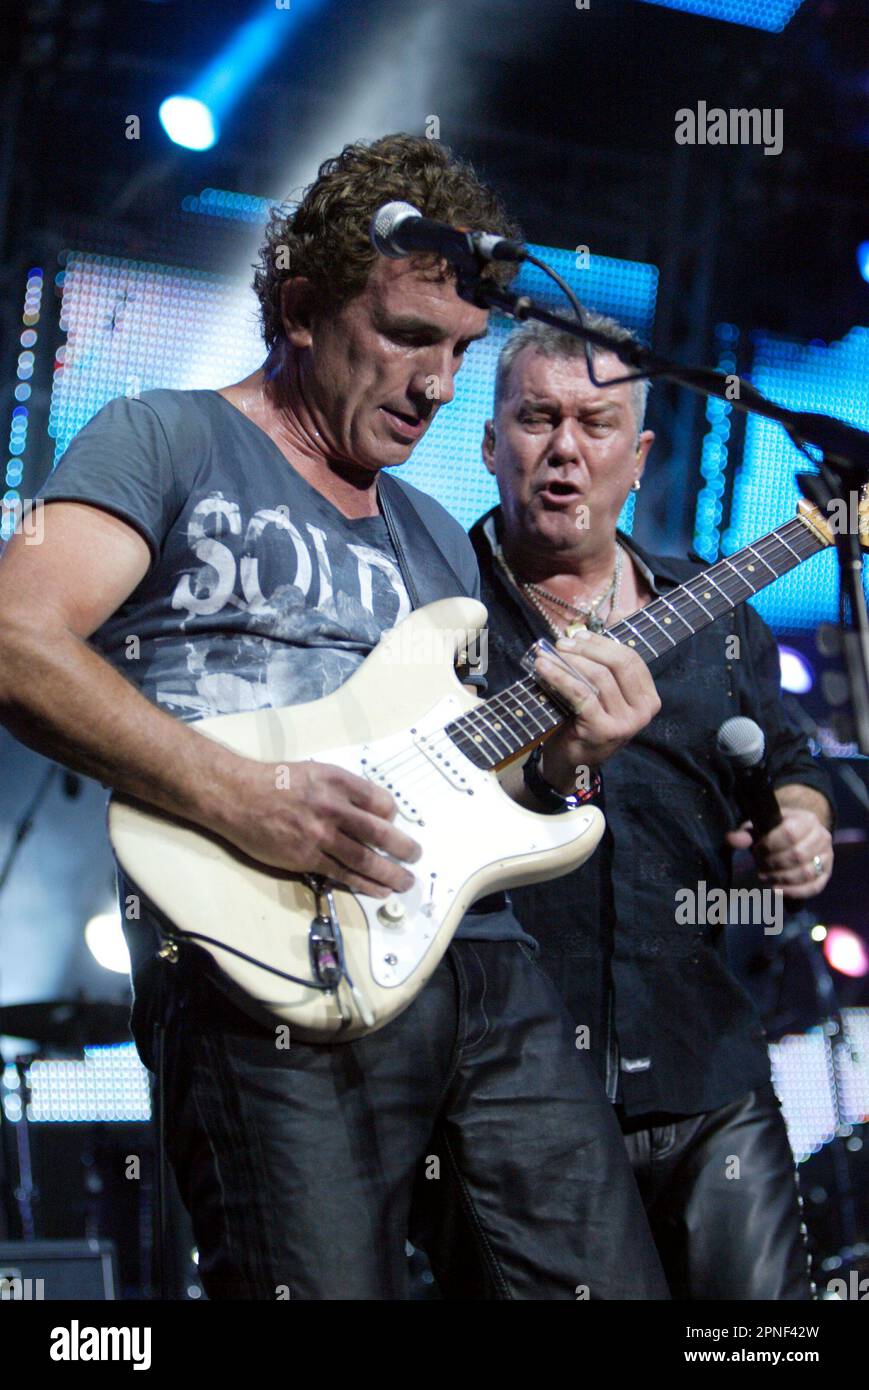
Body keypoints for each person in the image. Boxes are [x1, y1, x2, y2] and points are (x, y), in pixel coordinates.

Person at [0, 136, 669, 1300]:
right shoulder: (163, 435)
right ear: (302, 308)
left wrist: (567, 765)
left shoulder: (426, 533)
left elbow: (492, 779)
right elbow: (17, 638)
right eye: (409, 336)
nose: (440, 384)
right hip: (262, 957)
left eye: (461, 349)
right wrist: (244, 798)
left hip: (478, 962)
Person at [468, 315, 835, 1300]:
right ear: (490, 442)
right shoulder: (433, 614)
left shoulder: (718, 614)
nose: (562, 448)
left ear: (636, 458)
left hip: (708, 1076)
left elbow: (789, 770)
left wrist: (797, 829)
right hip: (514, 1095)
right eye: (536, 418)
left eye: (594, 423)